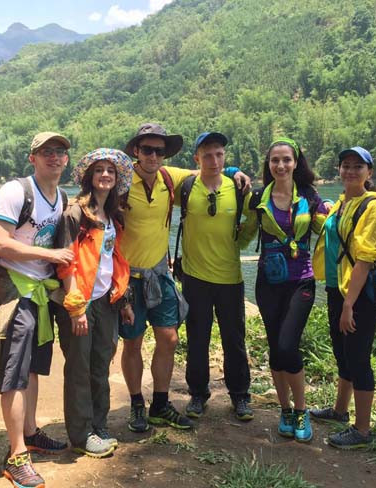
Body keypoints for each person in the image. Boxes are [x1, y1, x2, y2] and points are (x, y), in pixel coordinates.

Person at [119, 123, 250, 433]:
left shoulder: (170, 178)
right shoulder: (122, 181)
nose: (153, 156)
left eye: (159, 151)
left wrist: (234, 171)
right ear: (136, 150)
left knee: (170, 338)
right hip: (130, 277)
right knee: (134, 343)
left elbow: (210, 171)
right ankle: (139, 403)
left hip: (162, 273)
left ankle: (161, 404)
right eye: (147, 149)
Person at [0, 132, 73, 488]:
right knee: (15, 372)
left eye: (60, 152)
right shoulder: (16, 191)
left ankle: (31, 432)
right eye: (46, 152)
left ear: (66, 160)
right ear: (32, 158)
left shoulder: (61, 197)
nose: (54, 157)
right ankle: (16, 455)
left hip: (40, 293)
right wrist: (48, 254)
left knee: (34, 368)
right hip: (15, 290)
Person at [246, 138, 328, 441]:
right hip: (268, 282)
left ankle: (302, 409)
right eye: (274, 160)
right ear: (268, 164)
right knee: (275, 348)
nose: (280, 165)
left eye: (286, 160)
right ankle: (285, 409)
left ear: (296, 163)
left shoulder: (310, 196)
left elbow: (325, 228)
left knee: (287, 345)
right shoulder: (258, 197)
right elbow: (244, 233)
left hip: (301, 280)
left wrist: (334, 210)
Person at [56, 148, 135, 458]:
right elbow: (67, 263)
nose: (105, 175)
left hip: (106, 301)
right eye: (99, 170)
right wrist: (76, 307)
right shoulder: (75, 214)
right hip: (82, 301)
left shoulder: (113, 215)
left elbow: (113, 259)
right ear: (89, 176)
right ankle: (81, 434)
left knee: (101, 364)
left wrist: (123, 299)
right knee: (79, 367)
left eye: (110, 171)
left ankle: (99, 424)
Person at [311, 146, 376, 449]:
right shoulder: (343, 202)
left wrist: (349, 304)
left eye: (358, 166)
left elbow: (365, 259)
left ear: (370, 172)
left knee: (358, 357)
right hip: (337, 287)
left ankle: (363, 430)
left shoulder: (373, 207)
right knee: (342, 351)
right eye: (346, 165)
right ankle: (340, 411)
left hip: (359, 294)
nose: (351, 171)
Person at [180, 132, 256, 421]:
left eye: (219, 154)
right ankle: (198, 394)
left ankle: (240, 395)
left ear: (225, 156)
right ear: (196, 158)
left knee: (234, 339)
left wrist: (240, 242)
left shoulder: (237, 188)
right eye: (207, 155)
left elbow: (254, 218)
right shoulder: (187, 187)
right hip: (195, 278)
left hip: (230, 278)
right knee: (197, 339)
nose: (214, 160)